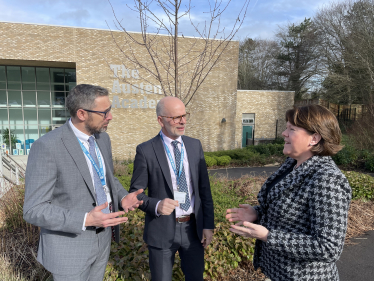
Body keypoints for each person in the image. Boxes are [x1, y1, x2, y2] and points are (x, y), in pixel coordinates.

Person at [23, 84, 143, 281]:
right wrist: (85, 219)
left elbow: (107, 177)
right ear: (82, 114)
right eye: (104, 112)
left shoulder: (103, 139)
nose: (110, 116)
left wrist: (122, 197)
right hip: (69, 250)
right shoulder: (47, 147)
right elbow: (33, 209)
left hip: (103, 241)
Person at [226, 104, 351, 281]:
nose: (284, 133)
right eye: (286, 128)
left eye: (291, 129)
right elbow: (290, 214)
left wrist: (268, 236)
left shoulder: (327, 179)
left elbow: (328, 248)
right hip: (278, 273)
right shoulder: (292, 164)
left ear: (314, 138)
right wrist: (257, 213)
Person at [129, 96, 214, 281]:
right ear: (161, 120)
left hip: (193, 229)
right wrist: (156, 204)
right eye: (175, 117)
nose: (182, 121)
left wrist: (208, 225)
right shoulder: (146, 150)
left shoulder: (194, 145)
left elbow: (204, 190)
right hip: (162, 230)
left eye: (184, 115)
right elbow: (136, 194)